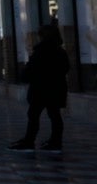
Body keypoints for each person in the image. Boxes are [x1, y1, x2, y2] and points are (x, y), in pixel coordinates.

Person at [10, 24, 68, 154]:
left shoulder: (40, 51)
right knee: (54, 115)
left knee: (34, 115)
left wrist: (26, 75)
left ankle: (29, 141)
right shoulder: (60, 51)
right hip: (55, 89)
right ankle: (55, 141)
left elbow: (30, 71)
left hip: (41, 90)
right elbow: (65, 69)